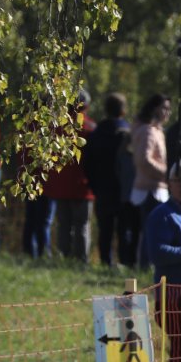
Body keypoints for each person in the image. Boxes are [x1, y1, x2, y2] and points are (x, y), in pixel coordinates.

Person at [37, 89, 97, 260]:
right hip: (82, 185)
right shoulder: (89, 127)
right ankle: (81, 259)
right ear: (86, 105)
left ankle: (63, 256)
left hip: (60, 184)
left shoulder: (55, 126)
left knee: (63, 225)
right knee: (82, 225)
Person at [83, 92, 136, 266]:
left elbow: (87, 163)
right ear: (123, 110)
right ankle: (125, 262)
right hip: (124, 189)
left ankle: (106, 261)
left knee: (105, 229)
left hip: (102, 188)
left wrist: (93, 185)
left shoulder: (96, 133)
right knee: (124, 229)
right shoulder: (128, 133)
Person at [143, 159, 181, 284]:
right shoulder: (162, 215)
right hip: (174, 293)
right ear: (170, 184)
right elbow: (157, 254)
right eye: (178, 181)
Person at [129, 93, 172, 240]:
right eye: (164, 108)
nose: (168, 112)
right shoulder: (148, 131)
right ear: (154, 109)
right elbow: (144, 159)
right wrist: (166, 173)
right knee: (151, 234)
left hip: (156, 189)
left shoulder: (156, 131)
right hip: (149, 191)